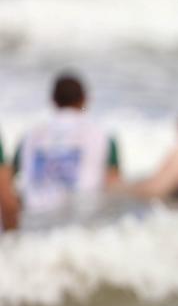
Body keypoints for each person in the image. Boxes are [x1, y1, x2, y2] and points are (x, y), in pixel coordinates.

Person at [5, 72, 121, 228]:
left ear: (53, 100)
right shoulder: (104, 137)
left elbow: (7, 184)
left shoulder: (29, 137)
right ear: (84, 100)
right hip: (83, 225)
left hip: (34, 223)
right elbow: (113, 186)